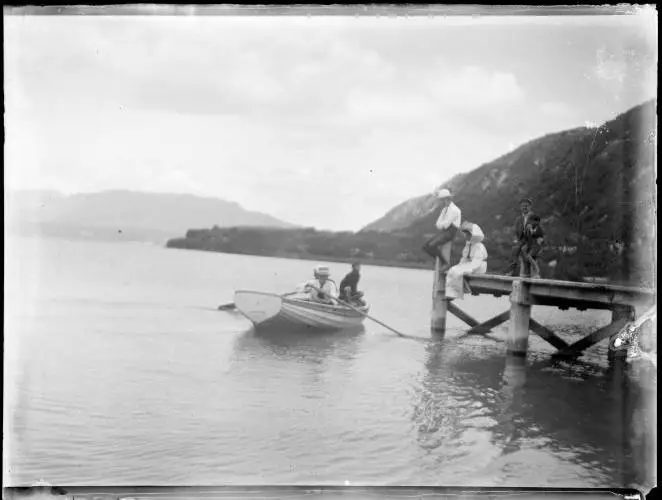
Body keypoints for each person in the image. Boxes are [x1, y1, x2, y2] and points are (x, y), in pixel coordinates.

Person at [445, 222, 488, 300]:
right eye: (466, 234)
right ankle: (453, 293)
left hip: (479, 267)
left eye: (468, 234)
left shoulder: (479, 246)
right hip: (470, 265)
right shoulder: (468, 246)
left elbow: (476, 262)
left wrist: (467, 269)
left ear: (474, 235)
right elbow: (464, 259)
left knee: (457, 271)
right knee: (452, 270)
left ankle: (456, 293)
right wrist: (459, 266)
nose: (466, 236)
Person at [422, 188, 462, 271]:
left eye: (442, 200)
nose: (441, 202)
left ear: (446, 199)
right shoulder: (444, 210)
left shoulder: (455, 210)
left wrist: (442, 224)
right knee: (425, 246)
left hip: (450, 233)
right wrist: (442, 224)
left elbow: (445, 225)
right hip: (443, 232)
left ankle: (445, 263)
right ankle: (440, 259)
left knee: (432, 245)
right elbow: (438, 224)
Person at [507, 197, 539, 276]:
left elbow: (538, 229)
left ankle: (529, 273)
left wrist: (533, 230)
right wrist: (516, 239)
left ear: (530, 207)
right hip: (522, 239)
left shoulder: (534, 217)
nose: (524, 207)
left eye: (526, 206)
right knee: (514, 250)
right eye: (522, 206)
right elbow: (516, 231)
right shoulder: (518, 219)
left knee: (525, 251)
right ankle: (511, 271)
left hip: (532, 239)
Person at [519, 214, 544, 278]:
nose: (530, 222)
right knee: (525, 255)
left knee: (529, 257)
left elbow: (535, 235)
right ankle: (527, 273)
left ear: (537, 222)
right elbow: (527, 236)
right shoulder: (532, 227)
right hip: (532, 245)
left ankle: (537, 271)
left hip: (537, 246)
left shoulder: (539, 229)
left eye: (532, 221)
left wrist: (530, 230)